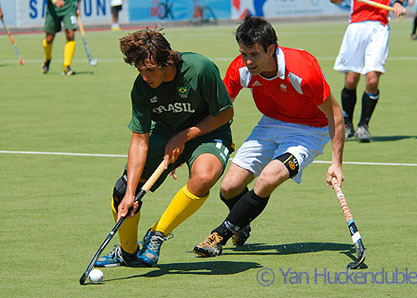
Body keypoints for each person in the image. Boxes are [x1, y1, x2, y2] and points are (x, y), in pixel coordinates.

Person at [193, 15, 345, 257]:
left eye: (254, 54)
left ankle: (219, 235)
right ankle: (240, 223)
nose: (247, 61)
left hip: (308, 131)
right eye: (243, 53)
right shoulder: (240, 69)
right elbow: (218, 112)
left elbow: (335, 115)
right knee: (229, 188)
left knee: (267, 179)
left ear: (271, 49)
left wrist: (336, 163)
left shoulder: (302, 72)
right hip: (270, 123)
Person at [94, 28, 234, 267]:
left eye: (150, 70)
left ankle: (157, 234)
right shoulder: (141, 88)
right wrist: (130, 194)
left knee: (204, 177)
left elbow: (225, 113)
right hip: (166, 132)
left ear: (166, 60)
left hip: (209, 131)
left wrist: (185, 135)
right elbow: (139, 140)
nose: (145, 76)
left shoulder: (200, 69)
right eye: (139, 70)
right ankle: (127, 254)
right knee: (122, 192)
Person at [330, 0, 406, 142]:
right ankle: (347, 125)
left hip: (379, 27)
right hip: (356, 26)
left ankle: (363, 126)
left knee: (372, 80)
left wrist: (397, 3)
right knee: (350, 79)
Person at [41, 0, 81, 76]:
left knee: (70, 34)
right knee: (49, 39)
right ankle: (47, 59)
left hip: (69, 6)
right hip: (53, 8)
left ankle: (66, 66)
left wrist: (78, 7)